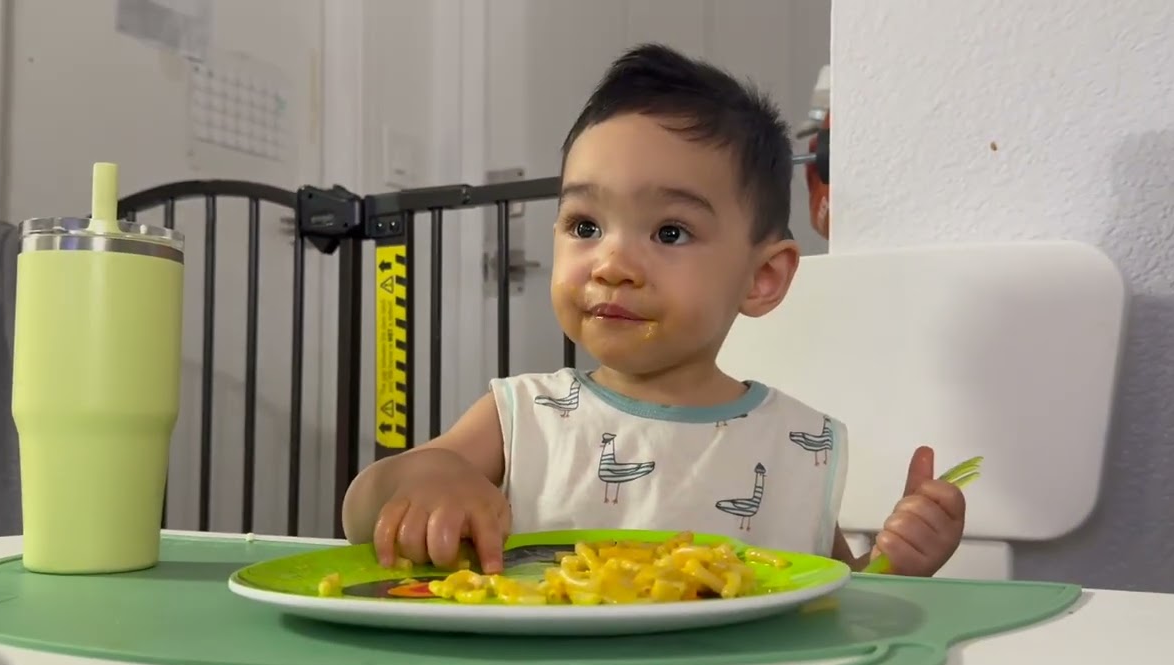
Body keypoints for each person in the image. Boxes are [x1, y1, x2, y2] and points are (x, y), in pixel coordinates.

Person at [342, 43, 965, 578]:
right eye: (585, 224)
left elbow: (828, 591)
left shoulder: (799, 445)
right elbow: (361, 505)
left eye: (669, 233)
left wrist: (894, 564)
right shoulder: (525, 417)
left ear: (762, 277)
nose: (611, 263)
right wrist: (425, 481)